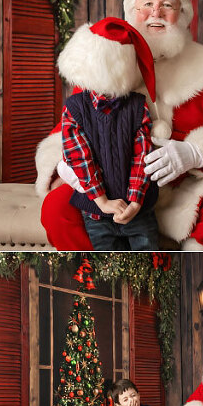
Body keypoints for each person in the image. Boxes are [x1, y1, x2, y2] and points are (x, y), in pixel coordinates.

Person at [36, 0, 203, 251]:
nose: (155, 12)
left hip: (186, 192)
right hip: (113, 190)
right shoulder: (103, 59)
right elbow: (68, 129)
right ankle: (107, 275)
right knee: (56, 208)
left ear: (182, 16)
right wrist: (73, 171)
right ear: (131, 13)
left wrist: (195, 153)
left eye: (167, 5)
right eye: (146, 4)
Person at [57, 17, 160, 250]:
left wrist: (134, 201)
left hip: (138, 211)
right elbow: (80, 157)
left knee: (148, 254)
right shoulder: (75, 108)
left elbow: (142, 155)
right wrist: (102, 201)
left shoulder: (136, 105)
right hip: (96, 214)